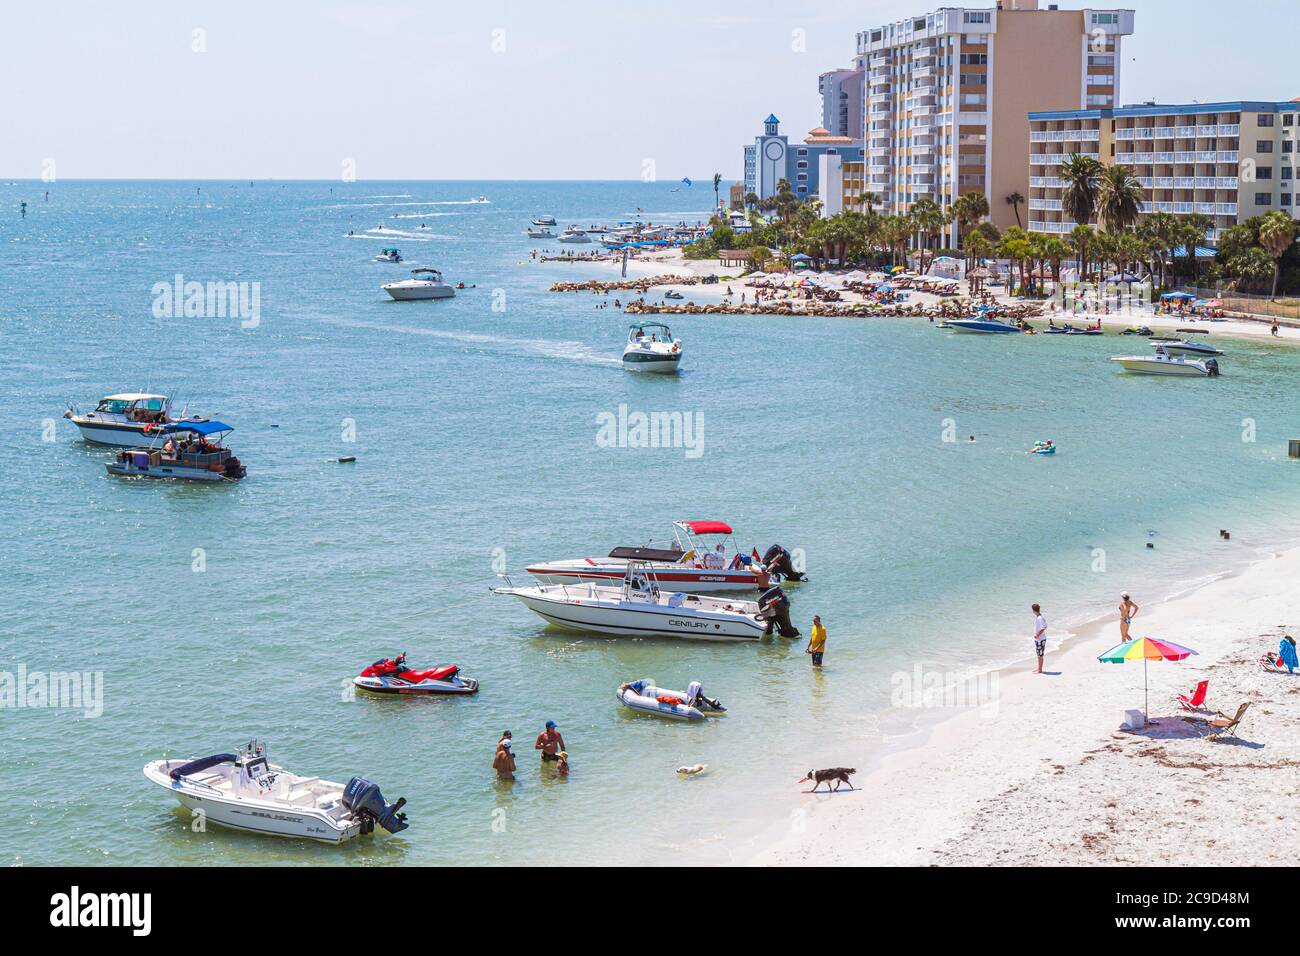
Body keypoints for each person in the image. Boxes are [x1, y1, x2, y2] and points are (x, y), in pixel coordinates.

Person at [1031, 603, 1047, 674]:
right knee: (1039, 655)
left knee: (1040, 655)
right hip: (1040, 639)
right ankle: (1039, 668)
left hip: (1040, 639)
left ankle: (1040, 670)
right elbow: (1046, 626)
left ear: (1034, 611)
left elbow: (1043, 628)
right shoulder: (1040, 617)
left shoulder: (1039, 618)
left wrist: (1037, 635)